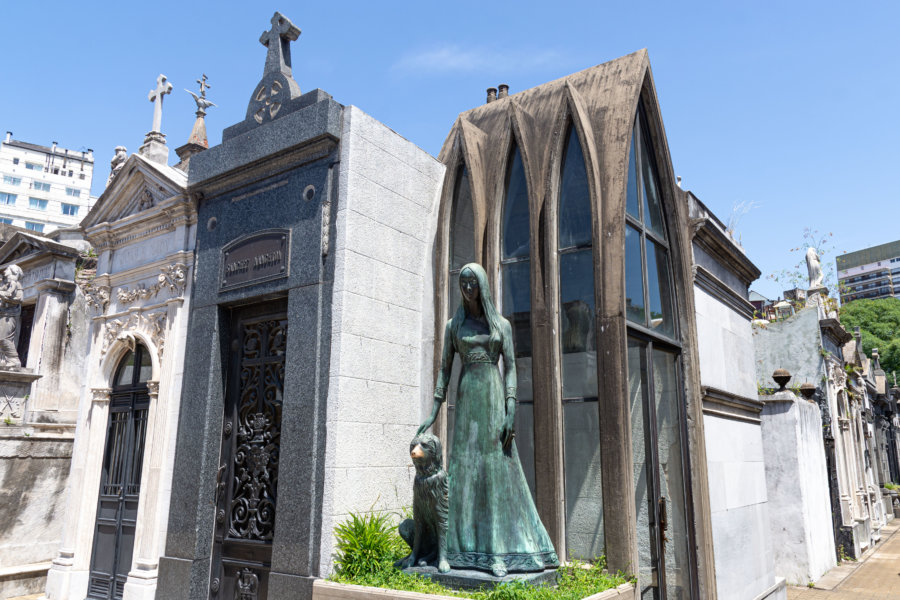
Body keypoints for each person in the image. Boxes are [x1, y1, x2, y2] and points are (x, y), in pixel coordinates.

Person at [417, 263, 558, 576]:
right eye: (463, 283)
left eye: (472, 283)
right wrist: (434, 410)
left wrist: (511, 408)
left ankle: (500, 551)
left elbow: (510, 368)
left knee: (496, 469)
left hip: (493, 398)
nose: (467, 289)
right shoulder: (454, 325)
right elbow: (444, 369)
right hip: (467, 398)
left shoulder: (501, 325)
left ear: (482, 285)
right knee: (464, 468)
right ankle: (457, 548)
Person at [0, 265, 24, 369]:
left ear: (13, 272)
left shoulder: (16, 284)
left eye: (7, 269)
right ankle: (6, 360)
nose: (5, 271)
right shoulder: (6, 284)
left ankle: (14, 360)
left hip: (10, 315)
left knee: (3, 338)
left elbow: (19, 298)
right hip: (3, 314)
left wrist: (5, 298)